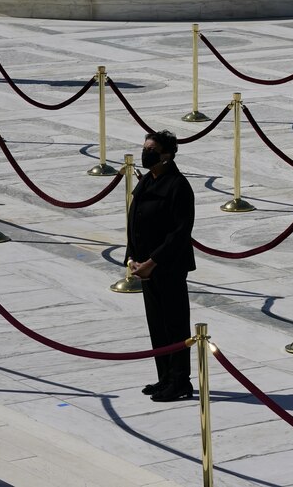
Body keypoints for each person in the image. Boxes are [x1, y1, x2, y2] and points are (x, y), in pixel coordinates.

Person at [126, 130, 196, 402]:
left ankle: (180, 381)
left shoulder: (178, 186)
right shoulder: (146, 182)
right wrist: (132, 258)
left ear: (166, 154)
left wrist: (152, 262)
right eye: (145, 147)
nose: (146, 152)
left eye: (151, 149)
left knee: (175, 325)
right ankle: (164, 377)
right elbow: (134, 221)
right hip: (144, 267)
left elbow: (179, 233)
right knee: (157, 325)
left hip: (167, 267)